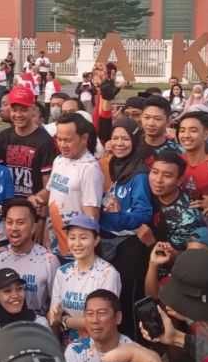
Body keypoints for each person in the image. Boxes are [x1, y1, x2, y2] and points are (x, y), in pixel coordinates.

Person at [98, 118, 153, 338]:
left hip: (128, 246)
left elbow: (144, 213)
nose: (120, 143)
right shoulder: (110, 164)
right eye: (116, 138)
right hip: (106, 240)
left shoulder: (138, 173)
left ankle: (132, 342)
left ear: (135, 140)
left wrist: (119, 215)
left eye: (126, 138)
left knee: (127, 298)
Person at [29, 113, 103, 257]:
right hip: (52, 244)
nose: (62, 145)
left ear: (84, 138)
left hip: (74, 251)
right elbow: (50, 190)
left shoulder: (89, 169)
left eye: (68, 140)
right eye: (59, 139)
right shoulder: (59, 160)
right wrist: (36, 198)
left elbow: (92, 216)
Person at [48, 213, 121, 343]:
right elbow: (53, 315)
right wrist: (59, 320)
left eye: (83, 238)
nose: (77, 243)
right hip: (67, 345)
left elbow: (102, 320)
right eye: (72, 237)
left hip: (99, 344)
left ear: (96, 240)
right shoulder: (63, 272)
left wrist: (65, 321)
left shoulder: (108, 273)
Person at [0, 197, 59, 314]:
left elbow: (56, 306)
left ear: (33, 228)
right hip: (2, 327)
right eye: (9, 222)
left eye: (20, 222)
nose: (14, 228)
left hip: (35, 326)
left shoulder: (49, 260)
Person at [0, 87, 56, 199]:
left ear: (33, 109)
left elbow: (47, 182)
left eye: (23, 110)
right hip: (6, 202)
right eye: (14, 110)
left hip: (33, 203)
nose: (18, 115)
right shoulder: (3, 137)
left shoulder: (45, 140)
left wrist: (40, 204)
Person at [64, 289, 135, 362]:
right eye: (90, 314)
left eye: (102, 313)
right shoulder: (74, 351)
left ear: (118, 317)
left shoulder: (135, 355)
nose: (95, 320)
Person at [138, 96, 183, 165]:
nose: (151, 123)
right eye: (147, 117)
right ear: (141, 118)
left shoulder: (178, 152)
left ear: (168, 121)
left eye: (157, 119)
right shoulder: (131, 146)